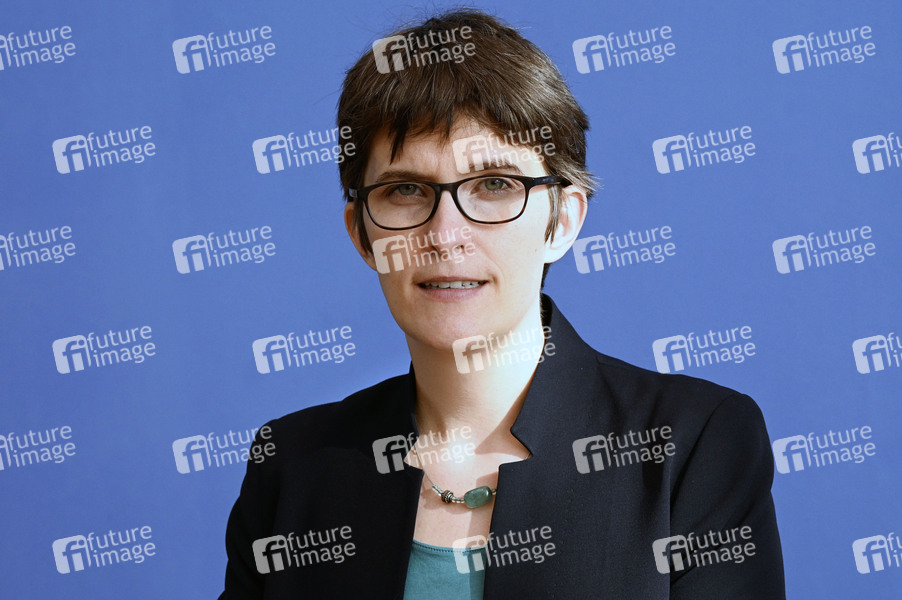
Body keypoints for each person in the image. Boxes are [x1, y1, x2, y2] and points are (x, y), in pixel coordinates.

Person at [221, 9, 785, 599]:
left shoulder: (693, 442)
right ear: (362, 234)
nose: (445, 235)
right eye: (405, 190)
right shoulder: (291, 466)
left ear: (562, 221)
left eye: (494, 185)